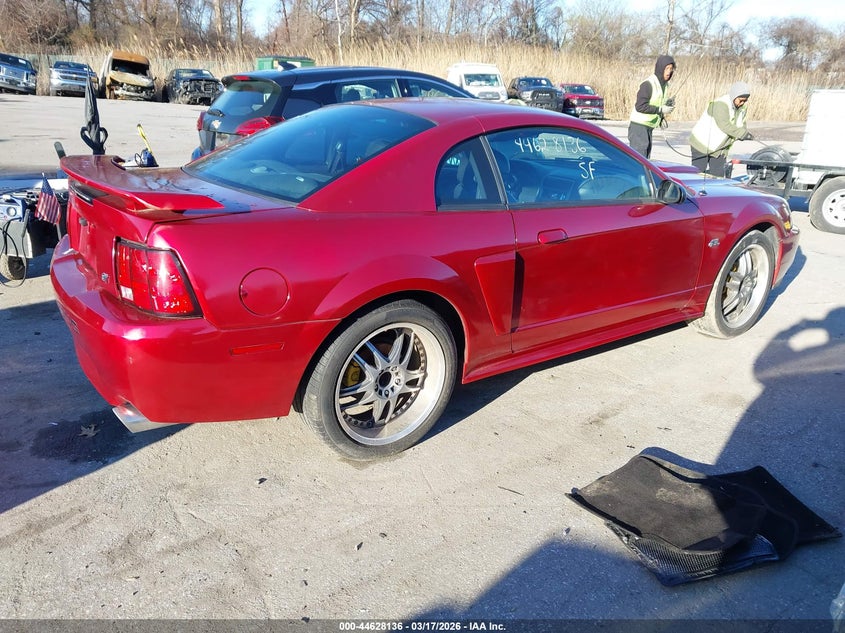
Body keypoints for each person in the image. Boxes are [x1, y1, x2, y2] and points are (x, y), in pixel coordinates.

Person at [689, 81, 754, 177]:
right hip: (702, 144)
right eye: (740, 100)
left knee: (718, 176)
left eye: (745, 101)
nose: (742, 103)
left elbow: (742, 124)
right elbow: (724, 125)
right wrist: (741, 134)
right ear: (734, 96)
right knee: (697, 175)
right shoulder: (721, 104)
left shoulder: (742, 108)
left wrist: (744, 133)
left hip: (720, 149)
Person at [628, 54, 676, 159]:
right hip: (639, 128)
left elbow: (657, 103)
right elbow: (640, 106)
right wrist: (660, 109)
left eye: (671, 69)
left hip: (648, 127)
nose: (669, 72)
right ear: (660, 68)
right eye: (666, 68)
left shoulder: (664, 85)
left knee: (646, 160)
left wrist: (662, 115)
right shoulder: (648, 84)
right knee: (639, 161)